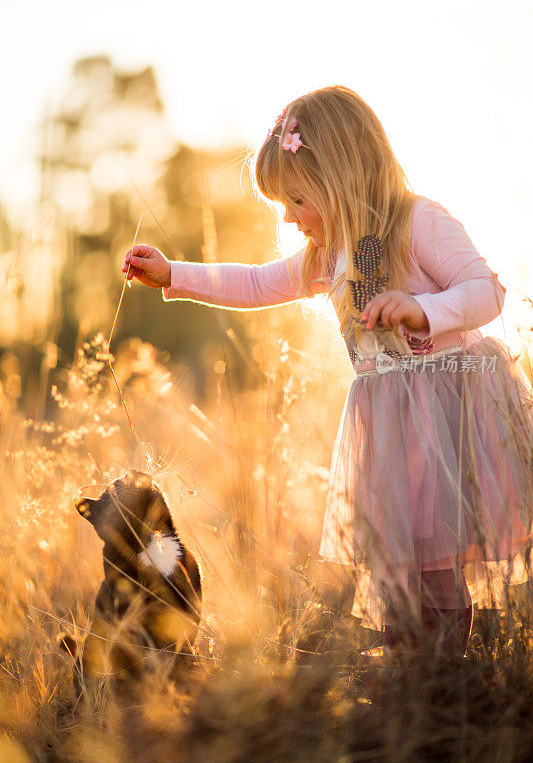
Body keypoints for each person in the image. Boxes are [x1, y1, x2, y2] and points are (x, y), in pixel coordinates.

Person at [122, 85, 533, 656]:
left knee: (437, 557)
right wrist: (174, 275)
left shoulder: (418, 222)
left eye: (297, 201)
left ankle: (445, 666)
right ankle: (406, 661)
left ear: (341, 176)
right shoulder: (329, 255)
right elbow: (257, 282)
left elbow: (487, 291)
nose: (290, 220)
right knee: (393, 557)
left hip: (445, 412)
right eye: (282, 207)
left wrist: (424, 310)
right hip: (388, 424)